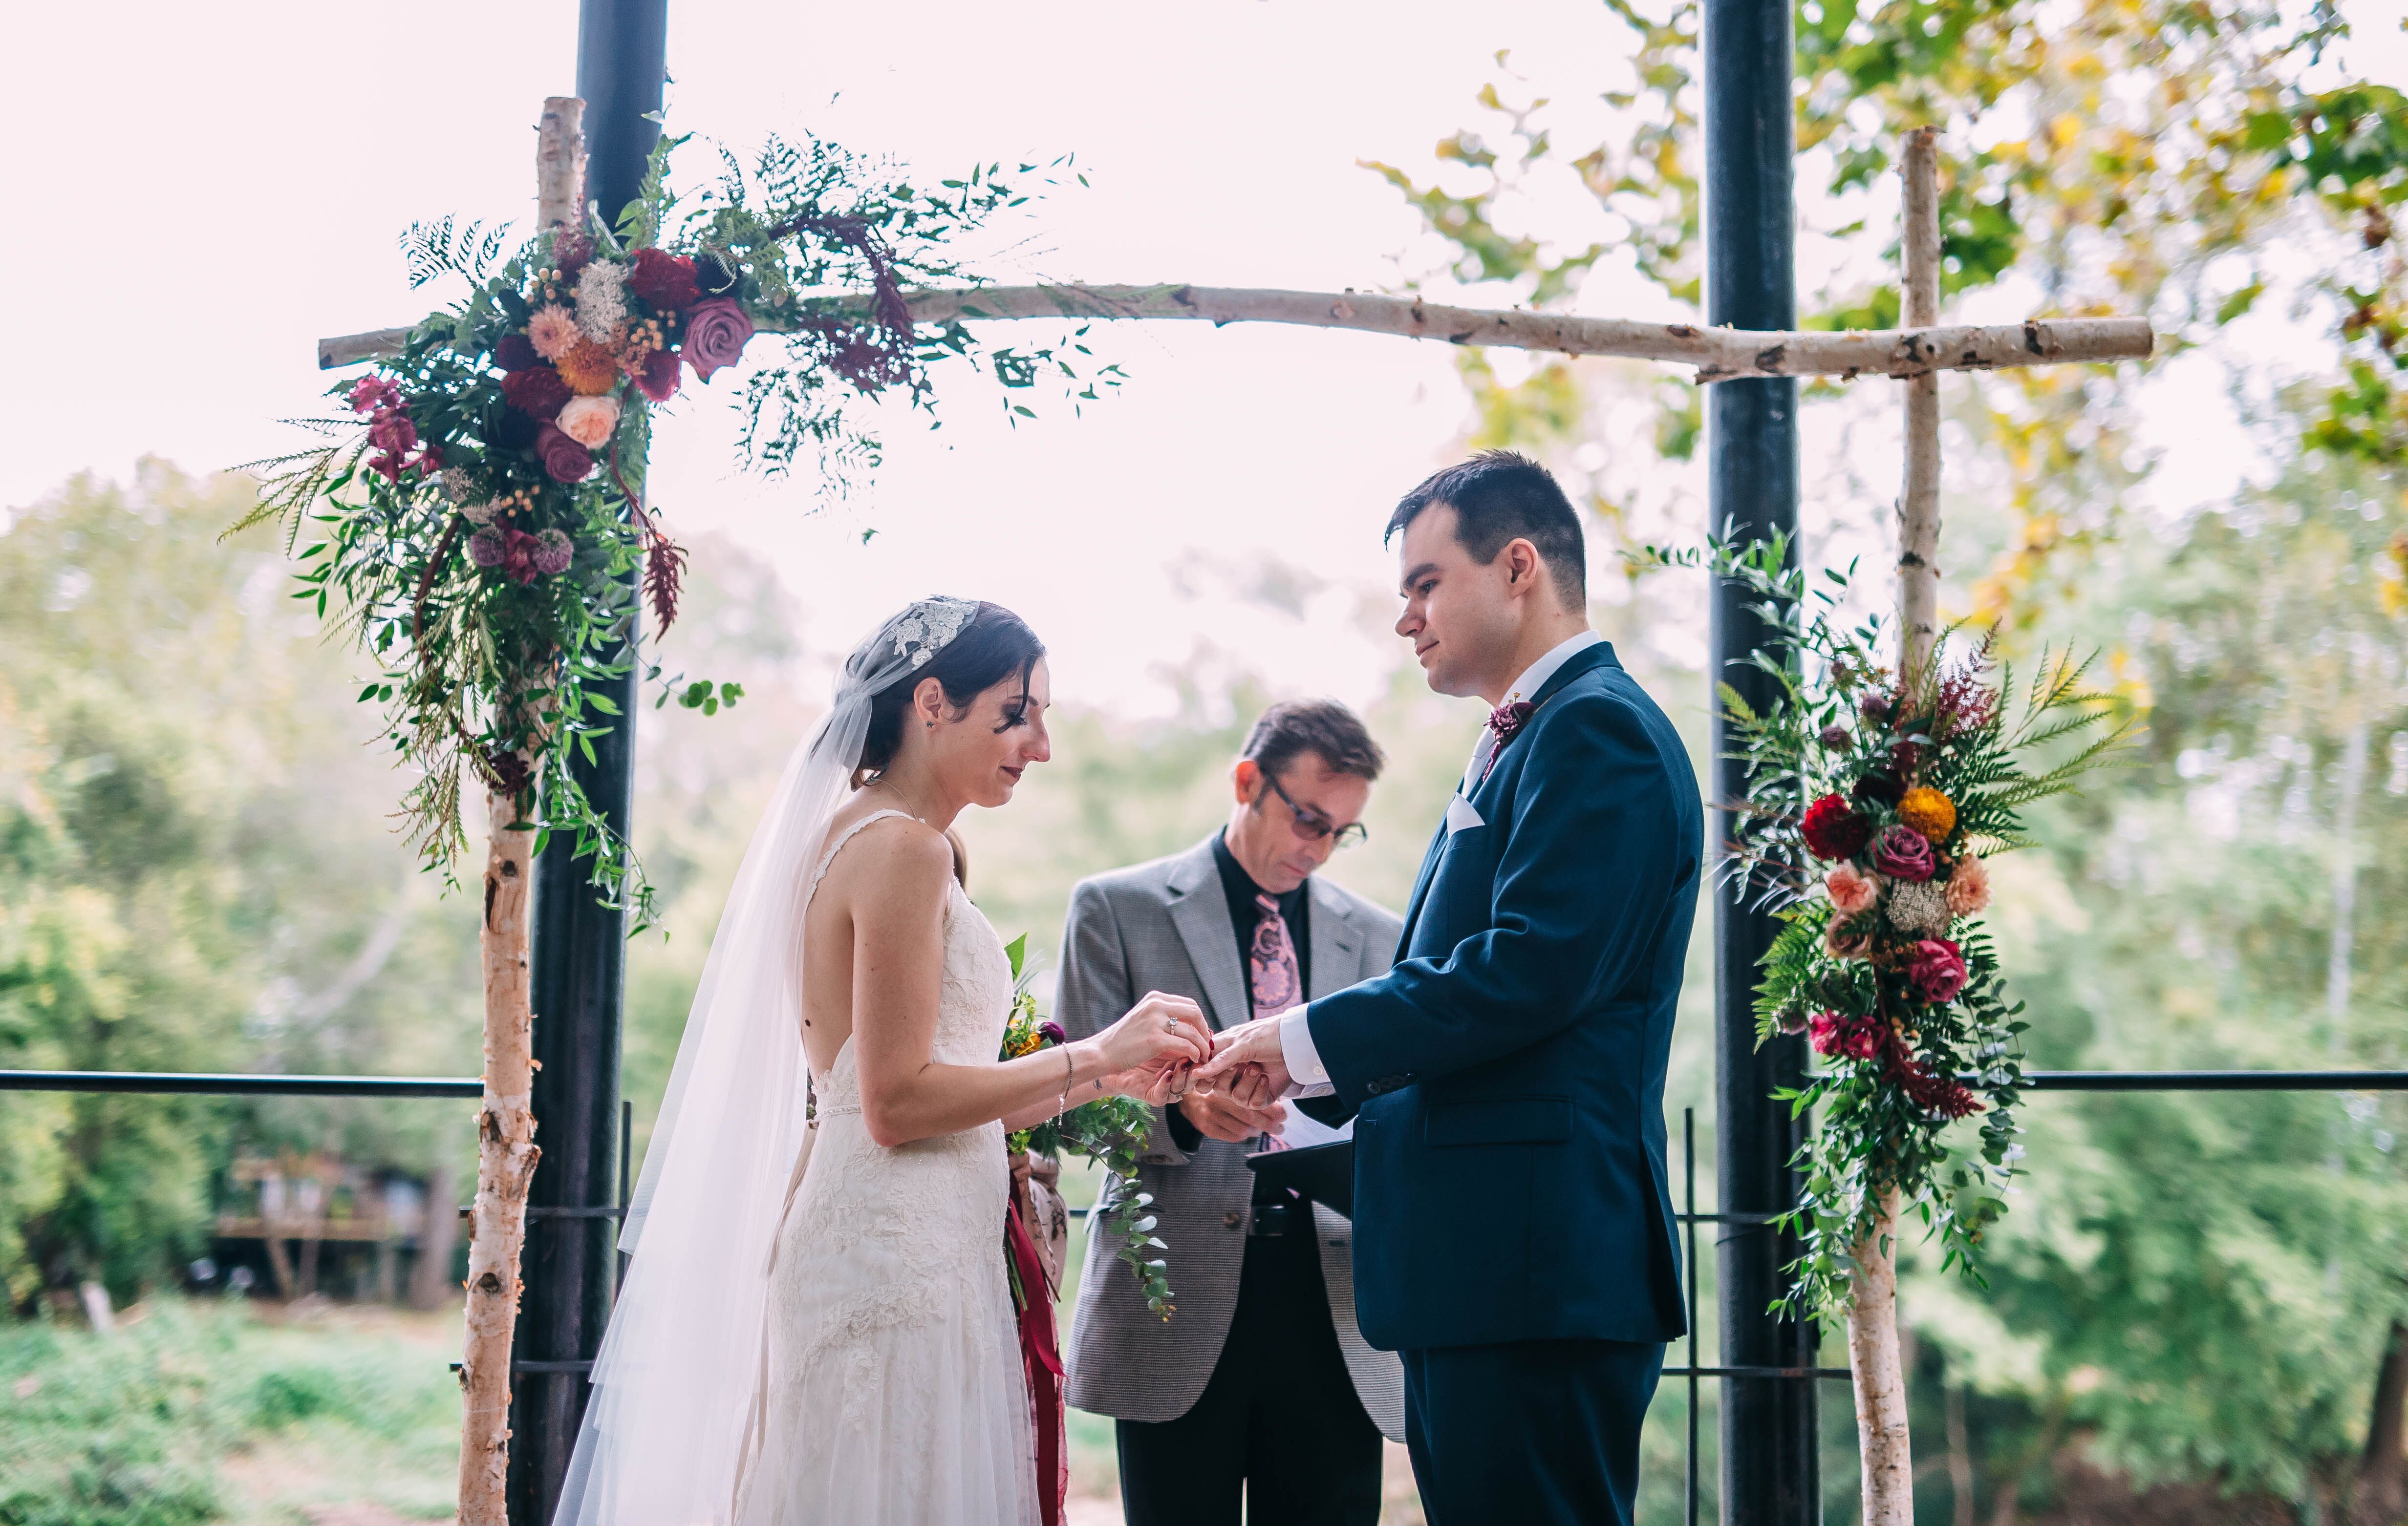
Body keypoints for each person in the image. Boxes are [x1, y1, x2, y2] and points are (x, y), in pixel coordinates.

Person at [551, 598, 1213, 1526]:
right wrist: (1098, 1048)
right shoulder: (903, 848)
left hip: (910, 1238)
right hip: (897, 1261)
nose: (1041, 745)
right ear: (932, 701)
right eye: (1016, 714)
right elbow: (896, 1101)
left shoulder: (872, 835)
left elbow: (919, 1089)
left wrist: (1112, 1076)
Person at [1199, 453, 1700, 1526]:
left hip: (1534, 1269)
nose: (1406, 619)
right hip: (1489, 1266)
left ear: (1517, 565)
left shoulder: (1594, 730)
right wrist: (1294, 1098)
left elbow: (1524, 973)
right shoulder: (1527, 736)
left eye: (1425, 584)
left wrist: (1292, 1040)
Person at [1058, 701, 1406, 1526]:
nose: (1317, 850)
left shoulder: (1384, 938)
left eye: (1341, 833)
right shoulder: (1115, 909)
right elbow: (1072, 1110)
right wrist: (1181, 1116)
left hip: (1336, 1307)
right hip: (1175, 1300)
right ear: (1248, 781)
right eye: (1308, 819)